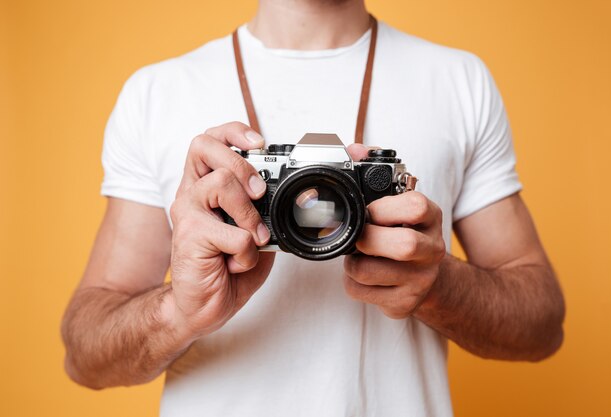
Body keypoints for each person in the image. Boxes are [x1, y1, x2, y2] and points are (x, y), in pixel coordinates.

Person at [61, 0, 565, 416]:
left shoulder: (459, 81)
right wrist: (179, 312)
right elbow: (85, 356)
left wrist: (437, 285)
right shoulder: (156, 94)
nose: (318, 214)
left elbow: (541, 326)